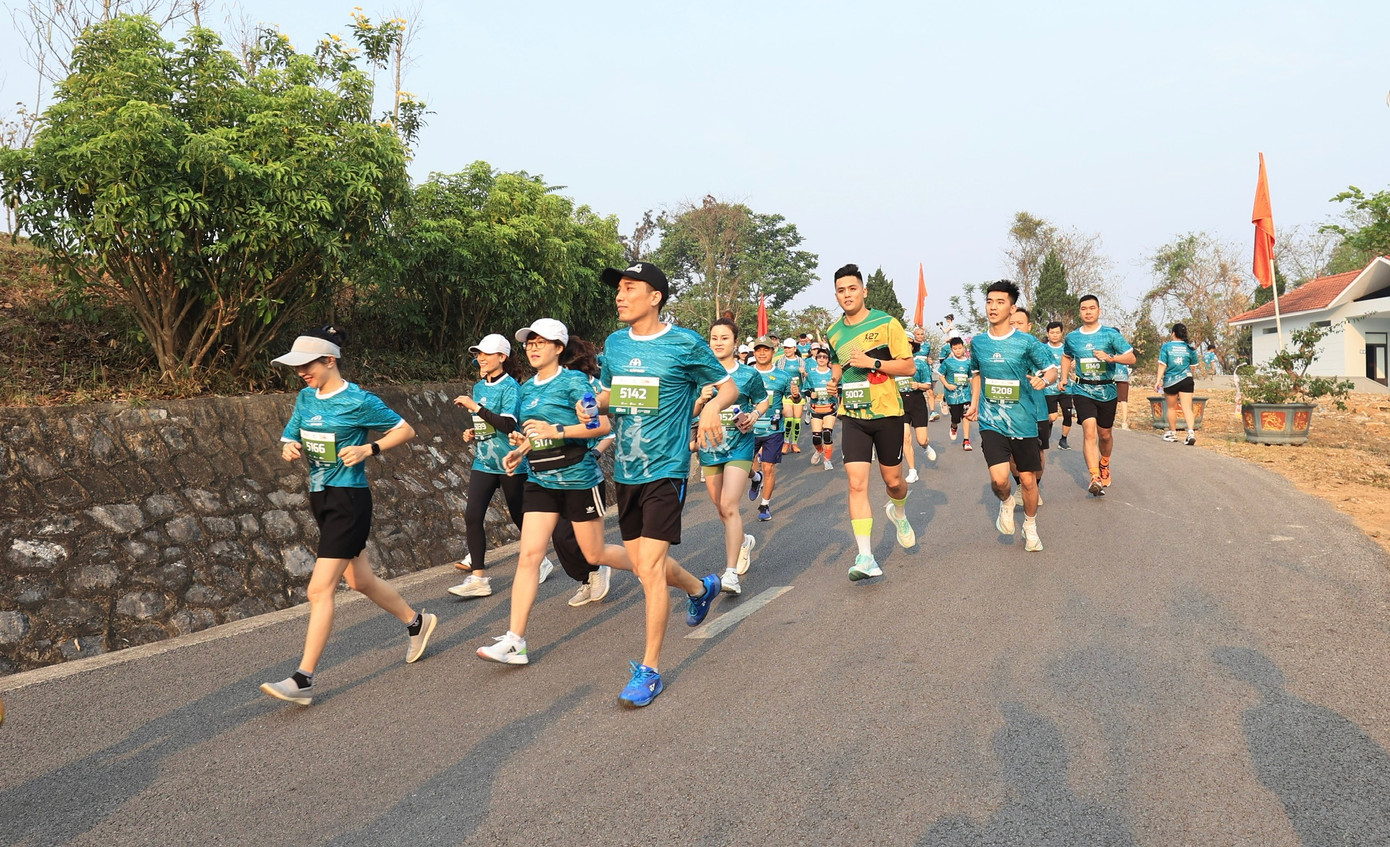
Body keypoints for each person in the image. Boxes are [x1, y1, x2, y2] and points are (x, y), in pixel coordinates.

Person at [260, 327, 435, 705]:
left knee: (319, 589)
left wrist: (369, 448)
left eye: (307, 364)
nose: (301, 372)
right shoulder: (306, 398)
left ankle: (303, 679)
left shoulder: (359, 401)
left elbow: (406, 430)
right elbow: (291, 434)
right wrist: (289, 448)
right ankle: (417, 622)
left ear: (329, 360)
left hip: (349, 500)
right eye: (296, 366)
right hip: (320, 496)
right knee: (361, 581)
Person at [588, 261, 737, 707]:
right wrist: (592, 405)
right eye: (618, 288)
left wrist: (710, 408)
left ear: (654, 296)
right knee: (640, 560)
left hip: (666, 469)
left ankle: (649, 670)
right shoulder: (614, 344)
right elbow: (612, 395)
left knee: (649, 569)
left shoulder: (684, 343)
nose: (619, 295)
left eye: (629, 288)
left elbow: (726, 386)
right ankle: (700, 587)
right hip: (626, 470)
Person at [475, 319, 631, 667]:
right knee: (529, 556)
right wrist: (521, 450)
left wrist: (557, 428)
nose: (532, 347)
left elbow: (602, 425)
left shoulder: (575, 382)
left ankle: (652, 566)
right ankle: (515, 640)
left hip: (578, 479)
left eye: (541, 342)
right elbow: (533, 435)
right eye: (529, 342)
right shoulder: (527, 390)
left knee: (596, 552)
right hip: (541, 481)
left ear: (559, 348)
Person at [824, 263, 918, 580]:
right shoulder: (833, 332)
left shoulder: (886, 323)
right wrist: (834, 381)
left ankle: (899, 512)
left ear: (863, 291)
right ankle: (865, 556)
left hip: (887, 413)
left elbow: (908, 368)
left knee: (893, 482)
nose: (847, 295)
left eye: (852, 288)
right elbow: (838, 365)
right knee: (856, 483)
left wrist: (872, 361)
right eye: (841, 290)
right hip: (853, 415)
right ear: (836, 295)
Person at [447, 334, 557, 598]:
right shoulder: (479, 387)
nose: (480, 359)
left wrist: (475, 407)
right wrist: (474, 431)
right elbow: (488, 423)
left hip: (511, 462)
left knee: (520, 518)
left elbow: (508, 424)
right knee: (472, 516)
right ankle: (479, 579)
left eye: (485, 354)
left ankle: (541, 560)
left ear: (502, 357)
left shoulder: (512, 388)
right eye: (478, 354)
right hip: (484, 462)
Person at [964, 282, 1057, 552]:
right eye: (989, 301)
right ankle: (1005, 502)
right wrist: (973, 403)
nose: (993, 307)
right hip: (991, 420)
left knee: (1028, 480)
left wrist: (1044, 380)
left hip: (1023, 420)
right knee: (1000, 480)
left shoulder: (1026, 342)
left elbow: (1051, 370)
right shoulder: (979, 342)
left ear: (1012, 307)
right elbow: (977, 374)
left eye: (1000, 302)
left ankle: (1030, 525)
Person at [693, 318, 768, 596]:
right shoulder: (699, 375)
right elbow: (689, 412)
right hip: (710, 449)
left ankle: (730, 573)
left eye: (724, 338)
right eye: (714, 338)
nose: (719, 342)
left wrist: (754, 416)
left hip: (740, 445)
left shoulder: (748, 375)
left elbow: (762, 400)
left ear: (735, 343)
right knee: (720, 507)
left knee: (729, 504)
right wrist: (701, 400)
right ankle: (744, 540)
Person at [1060, 295, 1137, 496]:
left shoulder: (1110, 335)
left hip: (1107, 391)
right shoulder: (1072, 337)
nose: (1088, 311)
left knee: (1105, 434)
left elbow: (1131, 357)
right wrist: (1063, 378)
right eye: (1084, 308)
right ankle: (1094, 477)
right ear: (1079, 312)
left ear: (1099, 311)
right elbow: (1066, 356)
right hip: (1082, 389)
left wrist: (1111, 358)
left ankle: (1104, 463)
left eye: (1092, 308)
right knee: (1089, 432)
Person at [1008, 307, 1052, 507]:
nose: (1015, 327)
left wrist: (1042, 379)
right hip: (1008, 411)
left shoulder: (1039, 349)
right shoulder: (1003, 349)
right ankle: (1021, 486)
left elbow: (1053, 372)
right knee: (1011, 454)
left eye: (1019, 323)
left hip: (1037, 411)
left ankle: (1034, 487)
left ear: (1029, 326)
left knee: (1039, 452)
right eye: (1012, 323)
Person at [748, 336, 795, 519]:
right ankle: (755, 478)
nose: (761, 352)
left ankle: (764, 506)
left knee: (768, 467)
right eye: (758, 349)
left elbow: (795, 399)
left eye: (765, 349)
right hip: (749, 429)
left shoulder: (783, 376)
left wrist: (797, 396)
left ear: (772, 352)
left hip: (773, 430)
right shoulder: (747, 373)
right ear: (754, 352)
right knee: (743, 467)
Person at [899, 340, 938, 484]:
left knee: (921, 439)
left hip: (917, 402)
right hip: (901, 403)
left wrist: (918, 385)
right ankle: (912, 471)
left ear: (912, 347)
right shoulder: (894, 364)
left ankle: (926, 446)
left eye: (908, 344)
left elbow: (928, 385)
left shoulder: (920, 364)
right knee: (905, 438)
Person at [1156, 323, 1200, 445]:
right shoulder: (1190, 348)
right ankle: (1191, 433)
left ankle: (1173, 433)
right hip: (1187, 379)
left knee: (1171, 407)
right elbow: (1193, 367)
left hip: (1171, 381)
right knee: (1187, 407)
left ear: (1173, 333)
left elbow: (1162, 365)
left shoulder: (1166, 347)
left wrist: (1158, 380)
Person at [804, 346, 838, 469]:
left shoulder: (833, 374)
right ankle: (819, 450)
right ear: (816, 358)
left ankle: (827, 460)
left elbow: (840, 387)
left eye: (824, 357)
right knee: (817, 437)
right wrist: (810, 393)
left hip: (830, 408)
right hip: (816, 408)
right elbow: (805, 389)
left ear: (828, 359)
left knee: (827, 434)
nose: (822, 359)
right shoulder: (811, 375)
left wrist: (836, 392)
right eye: (819, 357)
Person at [936, 337, 973, 450]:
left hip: (965, 394)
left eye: (960, 348)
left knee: (966, 415)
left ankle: (966, 440)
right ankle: (953, 426)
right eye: (955, 348)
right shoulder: (948, 362)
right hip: (952, 395)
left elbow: (971, 377)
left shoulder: (968, 362)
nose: (958, 350)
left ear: (963, 348)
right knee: (955, 417)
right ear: (951, 349)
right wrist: (947, 385)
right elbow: (941, 375)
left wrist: (972, 389)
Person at [1043, 321, 1073, 450]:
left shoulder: (1067, 348)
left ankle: (1063, 439)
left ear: (1061, 333)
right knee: (1052, 416)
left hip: (1066, 387)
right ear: (1047, 334)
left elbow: (1076, 358)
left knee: (1067, 414)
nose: (1055, 335)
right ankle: (1044, 429)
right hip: (1049, 389)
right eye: (1052, 332)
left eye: (1057, 332)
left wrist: (1074, 363)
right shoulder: (1043, 348)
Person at [780, 338, 806, 453]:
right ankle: (785, 442)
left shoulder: (801, 361)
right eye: (785, 347)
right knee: (788, 418)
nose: (787, 350)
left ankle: (794, 444)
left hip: (799, 395)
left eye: (789, 347)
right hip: (786, 394)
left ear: (795, 348)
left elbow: (808, 377)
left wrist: (803, 372)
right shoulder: (780, 361)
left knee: (797, 419)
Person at [913, 326, 941, 422]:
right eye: (918, 334)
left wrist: (930, 360)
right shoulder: (911, 346)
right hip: (915, 373)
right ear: (914, 335)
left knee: (930, 391)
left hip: (925, 372)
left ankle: (932, 412)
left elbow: (927, 357)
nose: (920, 336)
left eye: (922, 334)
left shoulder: (927, 346)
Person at [1114, 362, 1132, 430]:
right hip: (1123, 376)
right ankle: (1124, 423)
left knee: (1112, 399)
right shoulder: (1125, 351)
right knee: (1123, 400)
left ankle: (1121, 421)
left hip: (1113, 376)